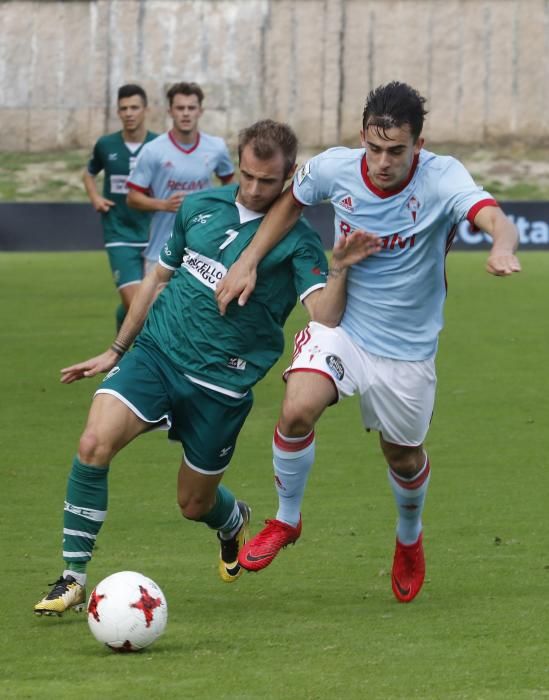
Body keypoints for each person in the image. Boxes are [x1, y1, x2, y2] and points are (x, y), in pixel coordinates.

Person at [33, 119, 381, 615]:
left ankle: (232, 519)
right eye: (247, 176)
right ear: (237, 166)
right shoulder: (200, 207)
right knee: (93, 443)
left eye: (269, 181)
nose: (256, 189)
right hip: (156, 355)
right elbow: (156, 280)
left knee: (193, 503)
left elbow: (324, 317)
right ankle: (72, 576)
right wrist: (116, 350)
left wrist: (341, 267)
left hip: (221, 386)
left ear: (290, 178)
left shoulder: (299, 243)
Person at [215, 82, 522, 603]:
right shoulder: (335, 168)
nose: (382, 162)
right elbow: (292, 201)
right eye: (374, 148)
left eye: (396, 151)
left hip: (407, 350)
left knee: (401, 457)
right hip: (345, 328)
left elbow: (495, 217)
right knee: (296, 409)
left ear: (417, 146)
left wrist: (502, 246)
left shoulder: (443, 178)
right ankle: (287, 520)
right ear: (362, 138)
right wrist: (247, 261)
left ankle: (409, 539)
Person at [127, 81, 235, 273]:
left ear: (200, 111)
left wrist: (218, 208)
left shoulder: (217, 147)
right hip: (161, 251)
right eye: (180, 108)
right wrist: (163, 205)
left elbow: (230, 185)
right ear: (170, 111)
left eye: (191, 108)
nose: (186, 113)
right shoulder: (153, 150)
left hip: (204, 253)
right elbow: (132, 198)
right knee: (154, 304)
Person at [83, 84, 158, 330]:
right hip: (119, 234)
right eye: (123, 108)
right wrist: (95, 197)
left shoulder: (159, 145)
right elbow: (88, 173)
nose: (129, 113)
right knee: (140, 308)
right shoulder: (106, 145)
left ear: (146, 110)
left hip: (153, 235)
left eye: (134, 107)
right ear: (118, 112)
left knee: (141, 306)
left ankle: (121, 320)